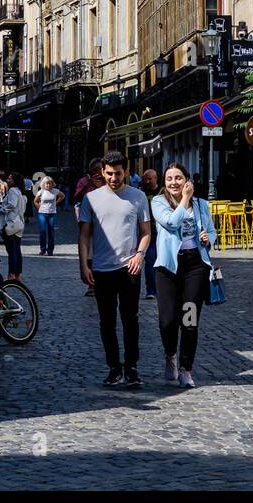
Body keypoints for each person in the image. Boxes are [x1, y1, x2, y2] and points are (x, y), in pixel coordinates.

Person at [78, 151, 151, 388]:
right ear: (102, 172)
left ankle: (131, 367)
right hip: (101, 268)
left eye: (118, 173)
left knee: (131, 320)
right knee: (106, 321)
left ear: (126, 172)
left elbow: (146, 232)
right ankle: (113, 367)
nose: (113, 178)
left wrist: (139, 255)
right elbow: (84, 236)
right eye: (109, 173)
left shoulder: (138, 197)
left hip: (129, 267)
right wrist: (83, 265)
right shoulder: (91, 199)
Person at [151, 164, 218, 389]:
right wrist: (184, 201)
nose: (174, 183)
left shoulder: (201, 204)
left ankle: (186, 369)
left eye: (178, 178)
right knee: (167, 321)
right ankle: (170, 355)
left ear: (187, 180)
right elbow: (172, 222)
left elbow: (211, 231)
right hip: (168, 267)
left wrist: (208, 238)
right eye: (169, 179)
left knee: (189, 319)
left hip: (194, 267)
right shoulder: (158, 203)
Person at [73, 159, 106, 296]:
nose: (98, 174)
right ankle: (92, 285)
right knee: (90, 253)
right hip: (88, 221)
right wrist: (89, 184)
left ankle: (103, 282)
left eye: (100, 171)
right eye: (95, 171)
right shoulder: (84, 182)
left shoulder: (108, 181)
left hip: (104, 221)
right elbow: (77, 197)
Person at [0, 173, 28, 281]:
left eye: (9, 178)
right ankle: (17, 275)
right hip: (19, 224)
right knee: (16, 250)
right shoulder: (22, 193)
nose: (7, 179)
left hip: (11, 224)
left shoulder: (13, 191)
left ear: (15, 180)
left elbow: (11, 204)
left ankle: (11, 274)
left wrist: (0, 210)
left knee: (12, 251)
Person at [139, 169, 160, 299]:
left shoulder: (162, 193)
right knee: (150, 260)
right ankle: (151, 290)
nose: (147, 181)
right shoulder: (141, 193)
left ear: (156, 178)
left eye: (149, 179)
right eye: (145, 179)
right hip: (147, 231)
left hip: (161, 231)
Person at [33, 176, 65, 256]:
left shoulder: (55, 191)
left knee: (51, 232)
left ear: (52, 184)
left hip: (52, 214)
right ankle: (42, 249)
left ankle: (50, 250)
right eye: (46, 184)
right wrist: (39, 208)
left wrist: (56, 203)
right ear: (43, 184)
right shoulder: (41, 191)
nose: (48, 185)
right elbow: (35, 201)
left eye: (49, 184)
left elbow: (62, 196)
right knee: (42, 231)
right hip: (42, 214)